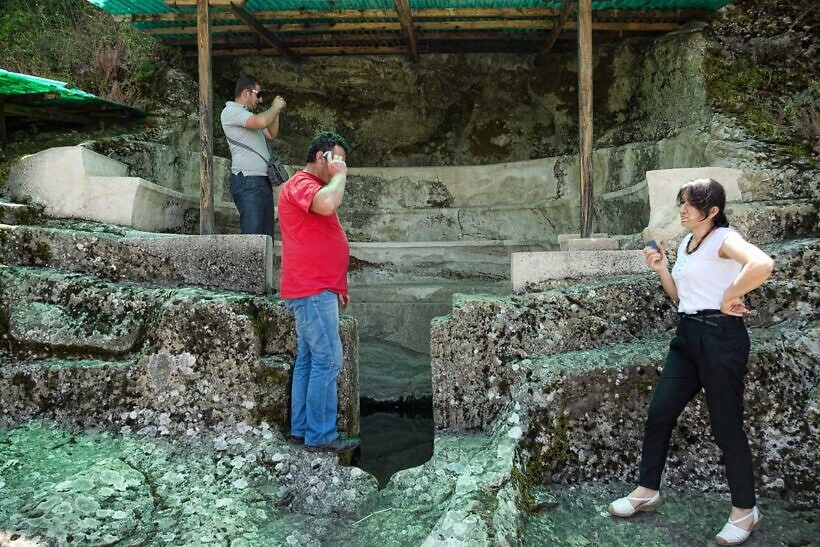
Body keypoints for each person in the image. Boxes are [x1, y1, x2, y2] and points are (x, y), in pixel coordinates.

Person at [608, 178, 775, 546]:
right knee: (660, 413)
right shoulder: (686, 243)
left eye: (689, 204)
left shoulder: (723, 238)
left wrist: (730, 294)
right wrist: (662, 269)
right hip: (687, 337)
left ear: (712, 211)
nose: (682, 209)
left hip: (721, 338)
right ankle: (647, 490)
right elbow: (681, 296)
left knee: (727, 427)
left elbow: (762, 263)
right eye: (681, 202)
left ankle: (745, 511)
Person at [277, 131, 359, 454]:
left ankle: (301, 429)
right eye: (337, 158)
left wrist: (339, 284)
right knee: (329, 359)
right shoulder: (301, 184)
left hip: (318, 288)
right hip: (311, 290)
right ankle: (320, 435)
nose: (341, 166)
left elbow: (323, 238)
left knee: (310, 360)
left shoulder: (311, 188)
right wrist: (340, 177)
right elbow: (327, 205)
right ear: (322, 156)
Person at [220, 74, 286, 239]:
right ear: (246, 93)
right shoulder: (231, 111)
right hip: (248, 182)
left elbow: (271, 133)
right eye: (258, 94)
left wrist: (276, 111)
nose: (260, 100)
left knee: (266, 238)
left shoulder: (247, 115)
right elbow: (262, 122)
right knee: (252, 238)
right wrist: (275, 106)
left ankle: (264, 266)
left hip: (262, 181)